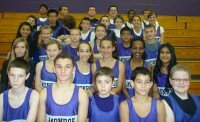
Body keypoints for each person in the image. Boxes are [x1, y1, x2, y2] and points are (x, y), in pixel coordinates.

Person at [37, 52, 88, 122]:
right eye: (59, 66)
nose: (63, 71)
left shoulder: (82, 94)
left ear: (73, 70)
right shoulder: (44, 93)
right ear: (54, 69)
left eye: (67, 67)